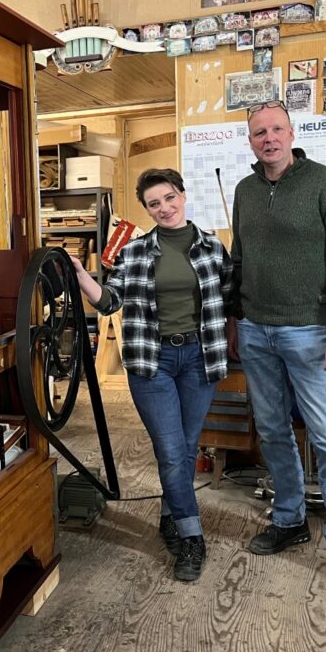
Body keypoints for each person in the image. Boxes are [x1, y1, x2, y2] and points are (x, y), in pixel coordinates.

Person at [228, 101, 326, 597]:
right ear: (250, 141)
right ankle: (289, 519)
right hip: (256, 332)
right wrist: (235, 319)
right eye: (258, 133)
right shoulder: (246, 191)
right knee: (272, 432)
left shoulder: (325, 183)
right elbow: (239, 259)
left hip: (311, 332)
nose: (267, 139)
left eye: (275, 129)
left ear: (291, 133)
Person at [71, 168, 233, 583]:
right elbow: (110, 302)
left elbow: (231, 300)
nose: (164, 208)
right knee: (171, 450)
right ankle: (192, 536)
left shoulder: (214, 248)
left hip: (199, 360)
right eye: (153, 204)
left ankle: (170, 516)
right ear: (147, 209)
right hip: (152, 362)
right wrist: (82, 277)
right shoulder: (136, 251)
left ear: (182, 195)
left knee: (186, 446)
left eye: (169, 198)